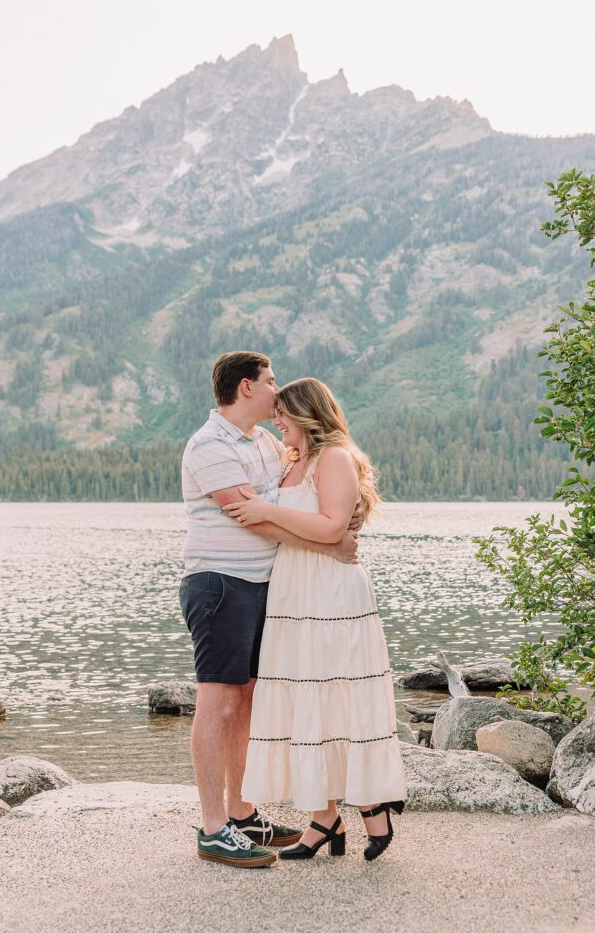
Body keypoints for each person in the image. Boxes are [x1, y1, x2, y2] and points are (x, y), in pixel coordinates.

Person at [180, 352, 363, 868]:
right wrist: (330, 546)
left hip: (264, 587)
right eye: (270, 381)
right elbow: (252, 518)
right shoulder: (208, 445)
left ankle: (242, 814)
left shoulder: (265, 443)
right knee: (218, 702)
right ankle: (214, 827)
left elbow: (298, 501)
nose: (276, 391)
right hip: (219, 583)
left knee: (248, 701)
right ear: (245, 388)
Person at [224, 377, 407, 862]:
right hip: (292, 589)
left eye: (283, 413)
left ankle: (372, 806)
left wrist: (265, 509)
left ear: (307, 415)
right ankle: (324, 817)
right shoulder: (290, 461)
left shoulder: (335, 458)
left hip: (332, 591)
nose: (276, 420)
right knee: (305, 696)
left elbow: (331, 527)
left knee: (338, 694)